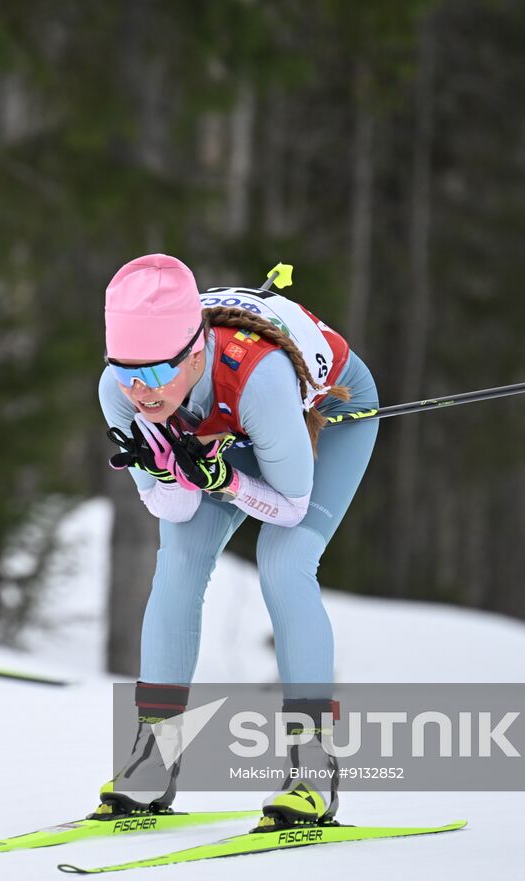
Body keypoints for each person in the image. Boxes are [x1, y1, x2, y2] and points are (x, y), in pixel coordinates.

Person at [96, 254, 379, 827]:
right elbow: (174, 509)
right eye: (126, 369)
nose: (140, 390)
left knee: (284, 561)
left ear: (194, 352)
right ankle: (154, 759)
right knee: (178, 561)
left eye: (155, 372)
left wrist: (224, 479)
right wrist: (169, 469)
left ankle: (313, 770)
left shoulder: (261, 377)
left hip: (322, 411)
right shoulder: (121, 392)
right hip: (229, 428)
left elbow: (290, 503)